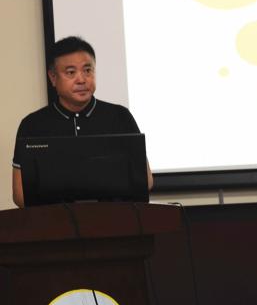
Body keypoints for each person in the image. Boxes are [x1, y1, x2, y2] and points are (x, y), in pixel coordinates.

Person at [11, 36, 153, 207]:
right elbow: (20, 195)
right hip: (54, 221)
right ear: (53, 78)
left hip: (114, 218)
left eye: (87, 70)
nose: (81, 79)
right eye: (71, 72)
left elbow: (145, 180)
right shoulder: (32, 124)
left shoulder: (120, 116)